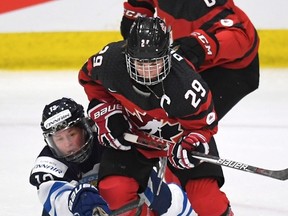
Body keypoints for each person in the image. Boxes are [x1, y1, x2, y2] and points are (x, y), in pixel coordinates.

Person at [78, 17, 233, 215]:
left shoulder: (186, 85)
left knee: (207, 200)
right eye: (140, 63)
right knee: (114, 190)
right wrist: (107, 112)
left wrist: (191, 143)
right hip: (132, 135)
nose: (147, 71)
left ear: (167, 55)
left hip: (179, 141)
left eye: (154, 63)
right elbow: (89, 80)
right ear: (127, 54)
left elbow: (204, 127)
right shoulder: (110, 61)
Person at [29, 97, 192, 216]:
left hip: (123, 205)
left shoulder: (109, 140)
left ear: (85, 128)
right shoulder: (48, 164)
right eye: (59, 139)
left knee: (159, 199)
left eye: (72, 134)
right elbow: (55, 201)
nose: (68, 144)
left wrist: (167, 200)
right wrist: (78, 199)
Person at [120, 0, 260, 121]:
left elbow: (242, 36)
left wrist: (198, 46)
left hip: (229, 68)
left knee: (184, 123)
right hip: (188, 60)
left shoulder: (206, 6)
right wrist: (135, 17)